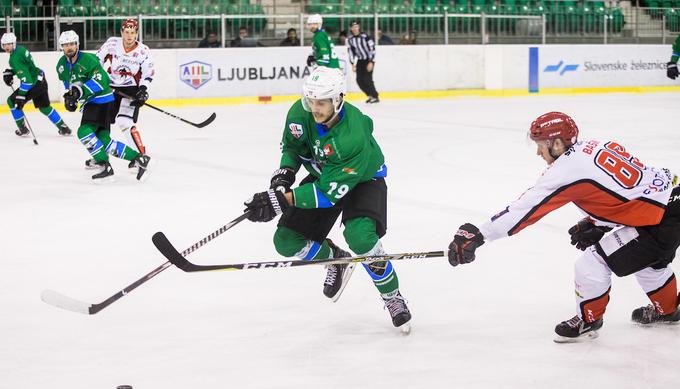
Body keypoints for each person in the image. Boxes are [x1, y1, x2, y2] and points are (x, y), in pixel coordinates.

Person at [447, 112, 680, 342]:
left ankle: (588, 320)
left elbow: (523, 210)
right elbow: (628, 191)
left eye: (540, 145)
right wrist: (597, 224)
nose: (538, 152)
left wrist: (478, 234)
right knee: (650, 264)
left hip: (661, 220)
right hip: (672, 203)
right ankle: (668, 311)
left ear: (557, 143)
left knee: (593, 262)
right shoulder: (593, 145)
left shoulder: (566, 170)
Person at [243, 67, 411, 331]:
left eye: (321, 102)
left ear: (338, 100)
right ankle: (335, 258)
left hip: (363, 180)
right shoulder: (300, 113)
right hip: (325, 175)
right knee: (286, 241)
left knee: (361, 237)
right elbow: (293, 148)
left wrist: (282, 200)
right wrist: (283, 178)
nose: (315, 108)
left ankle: (392, 296)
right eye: (311, 101)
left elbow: (327, 194)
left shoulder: (351, 135)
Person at [56, 30, 151, 182]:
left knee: (84, 132)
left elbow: (102, 81)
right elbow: (70, 86)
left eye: (72, 44)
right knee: (104, 140)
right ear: (61, 47)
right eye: (66, 45)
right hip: (91, 102)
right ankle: (139, 158)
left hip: (102, 100)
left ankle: (103, 164)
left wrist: (78, 93)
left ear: (77, 44)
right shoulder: (61, 65)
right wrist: (71, 100)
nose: (69, 47)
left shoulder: (88, 59)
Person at [95, 18, 154, 170]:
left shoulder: (143, 51)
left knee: (124, 122)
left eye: (132, 33)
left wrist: (143, 90)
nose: (129, 36)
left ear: (137, 34)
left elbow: (148, 73)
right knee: (101, 122)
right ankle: (100, 157)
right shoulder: (112, 43)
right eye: (126, 32)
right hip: (110, 87)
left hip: (131, 89)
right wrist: (100, 79)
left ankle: (141, 156)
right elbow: (97, 61)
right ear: (121, 32)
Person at [2, 32, 71, 137]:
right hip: (41, 79)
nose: (7, 47)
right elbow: (26, 67)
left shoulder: (14, 59)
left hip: (33, 84)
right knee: (44, 107)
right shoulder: (20, 50)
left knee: (11, 101)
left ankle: (22, 128)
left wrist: (20, 96)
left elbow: (27, 81)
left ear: (14, 43)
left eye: (9, 44)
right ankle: (63, 127)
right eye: (4, 44)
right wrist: (13, 72)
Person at [347, 21, 379, 104]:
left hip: (368, 60)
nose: (355, 28)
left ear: (359, 27)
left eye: (356, 26)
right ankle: (370, 95)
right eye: (353, 27)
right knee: (359, 80)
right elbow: (351, 52)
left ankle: (375, 96)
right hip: (360, 61)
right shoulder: (350, 40)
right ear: (351, 28)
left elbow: (372, 48)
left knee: (367, 79)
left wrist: (371, 61)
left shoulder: (365, 37)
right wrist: (352, 63)